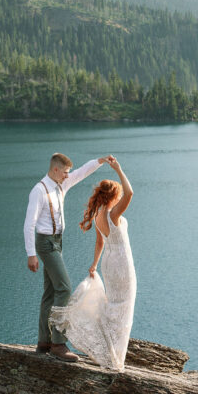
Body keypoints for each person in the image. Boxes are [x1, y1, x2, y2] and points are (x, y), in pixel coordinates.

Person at [49, 156, 135, 371]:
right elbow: (130, 193)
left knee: (114, 306)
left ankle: (109, 351)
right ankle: (116, 359)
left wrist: (94, 265)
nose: (121, 196)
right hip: (122, 265)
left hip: (108, 264)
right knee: (124, 307)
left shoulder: (99, 215)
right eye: (118, 194)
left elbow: (99, 242)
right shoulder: (114, 214)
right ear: (113, 196)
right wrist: (119, 169)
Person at [24, 152, 113, 361]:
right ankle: (58, 342)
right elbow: (29, 224)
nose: (67, 176)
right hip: (45, 243)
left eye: (68, 173)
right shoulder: (39, 190)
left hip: (57, 241)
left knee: (50, 292)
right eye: (65, 172)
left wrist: (100, 161)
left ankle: (43, 342)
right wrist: (31, 254)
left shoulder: (61, 184)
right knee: (64, 287)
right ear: (55, 170)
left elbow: (82, 172)